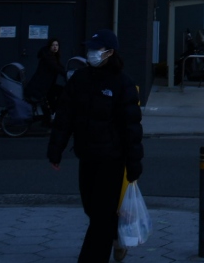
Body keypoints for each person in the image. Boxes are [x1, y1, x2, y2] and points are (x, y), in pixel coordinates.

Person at [48, 30, 144, 263]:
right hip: (87, 155)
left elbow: (132, 129)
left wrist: (134, 165)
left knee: (101, 216)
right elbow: (64, 117)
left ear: (109, 52)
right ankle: (116, 236)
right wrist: (55, 150)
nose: (91, 53)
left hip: (112, 159)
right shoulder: (80, 79)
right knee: (91, 209)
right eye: (90, 48)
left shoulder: (122, 83)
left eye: (96, 49)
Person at [26, 37, 67, 117]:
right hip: (42, 86)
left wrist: (67, 72)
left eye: (57, 45)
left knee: (58, 93)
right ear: (49, 46)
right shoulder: (48, 57)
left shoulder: (53, 56)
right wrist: (66, 74)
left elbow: (60, 67)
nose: (55, 47)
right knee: (56, 95)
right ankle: (51, 116)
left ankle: (52, 114)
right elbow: (56, 67)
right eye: (53, 45)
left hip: (47, 85)